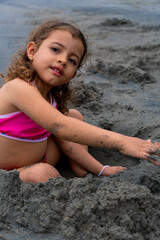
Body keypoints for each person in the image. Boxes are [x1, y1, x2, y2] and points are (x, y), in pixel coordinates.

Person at [0, 19, 159, 183]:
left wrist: (101, 170)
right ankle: (67, 168)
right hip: (10, 173)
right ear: (32, 51)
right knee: (45, 170)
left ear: (73, 74)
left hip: (42, 156)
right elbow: (59, 126)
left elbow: (64, 130)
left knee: (73, 116)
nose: (62, 60)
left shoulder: (50, 97)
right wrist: (123, 142)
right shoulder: (17, 88)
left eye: (72, 61)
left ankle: (84, 168)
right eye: (55, 49)